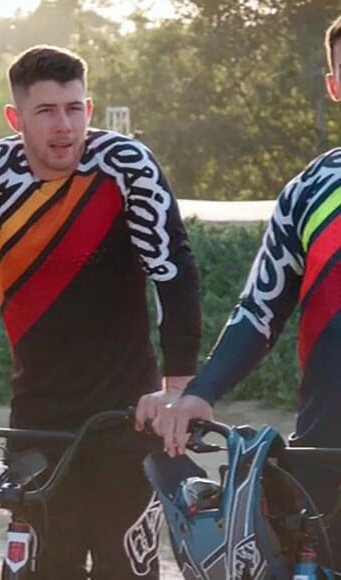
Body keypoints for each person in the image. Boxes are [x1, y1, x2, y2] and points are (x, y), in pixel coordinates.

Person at [0, 44, 201, 579]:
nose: (64, 127)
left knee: (129, 568)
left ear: (90, 110)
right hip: (38, 415)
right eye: (46, 111)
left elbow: (174, 269)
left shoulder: (124, 165)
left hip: (130, 415)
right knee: (46, 568)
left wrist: (178, 389)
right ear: (15, 118)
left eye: (74, 109)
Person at [135, 13, 341, 573]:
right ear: (333, 85)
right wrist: (201, 392)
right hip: (328, 454)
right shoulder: (309, 193)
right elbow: (259, 311)